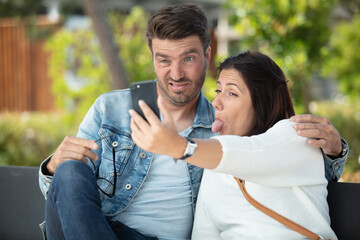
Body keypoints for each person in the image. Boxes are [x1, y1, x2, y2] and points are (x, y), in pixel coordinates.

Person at [38, 3, 347, 240]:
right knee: (69, 172)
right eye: (164, 60)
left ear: (207, 55)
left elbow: (276, 154)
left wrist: (334, 151)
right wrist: (53, 169)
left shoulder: (222, 122)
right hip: (103, 232)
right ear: (153, 60)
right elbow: (65, 200)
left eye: (188, 58)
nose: (176, 74)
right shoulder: (110, 109)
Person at [129, 51, 338, 239]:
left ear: (262, 102)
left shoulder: (296, 135)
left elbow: (254, 154)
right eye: (218, 91)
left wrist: (180, 147)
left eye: (232, 93)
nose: (216, 103)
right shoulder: (214, 167)